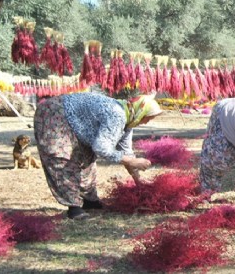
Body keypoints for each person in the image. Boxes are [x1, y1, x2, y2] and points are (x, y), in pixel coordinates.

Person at [34, 92, 163, 220]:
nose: (147, 122)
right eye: (148, 118)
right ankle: (74, 208)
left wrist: (139, 183)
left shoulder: (128, 121)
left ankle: (90, 201)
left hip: (76, 124)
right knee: (63, 160)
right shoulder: (117, 114)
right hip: (56, 114)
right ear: (141, 111)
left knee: (86, 159)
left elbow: (126, 152)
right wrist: (131, 161)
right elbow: (101, 148)